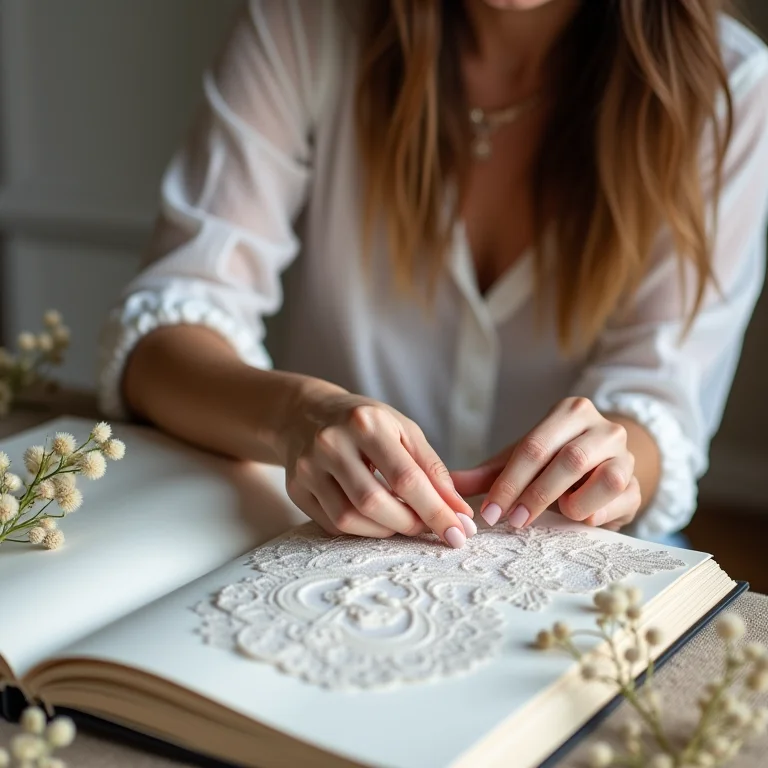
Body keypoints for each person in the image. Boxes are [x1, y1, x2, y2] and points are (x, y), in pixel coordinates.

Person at [100, 0, 768, 549]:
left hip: (573, 552)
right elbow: (166, 332)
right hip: (322, 541)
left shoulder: (733, 89)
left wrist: (612, 465)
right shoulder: (303, 21)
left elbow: (660, 404)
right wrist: (299, 415)